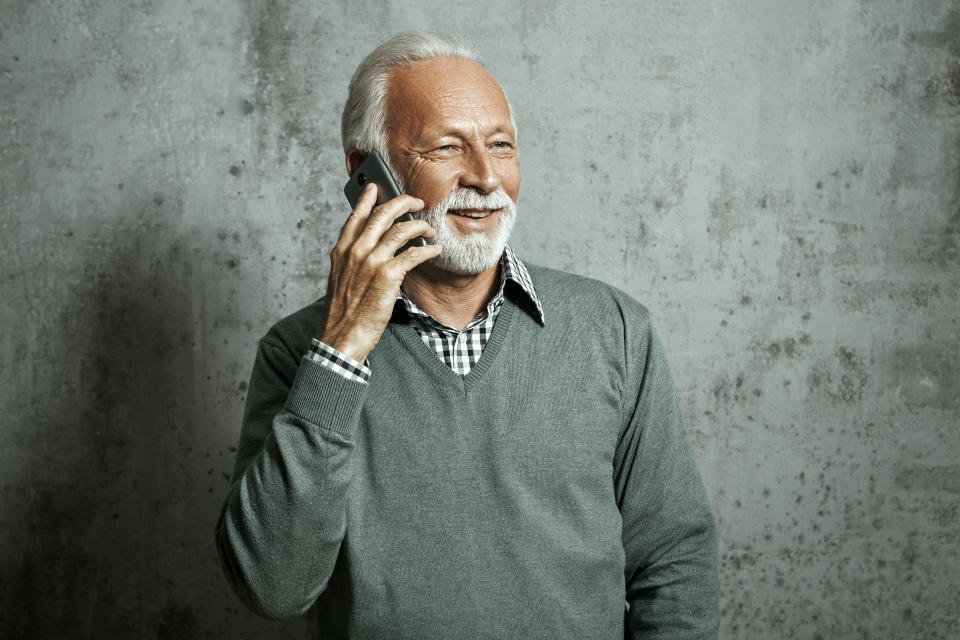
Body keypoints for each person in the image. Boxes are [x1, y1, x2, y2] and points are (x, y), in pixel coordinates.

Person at [216, 30, 718, 639]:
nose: (485, 177)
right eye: (446, 148)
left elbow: (674, 562)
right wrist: (342, 349)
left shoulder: (614, 330)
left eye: (501, 146)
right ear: (366, 171)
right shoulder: (299, 352)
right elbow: (274, 586)